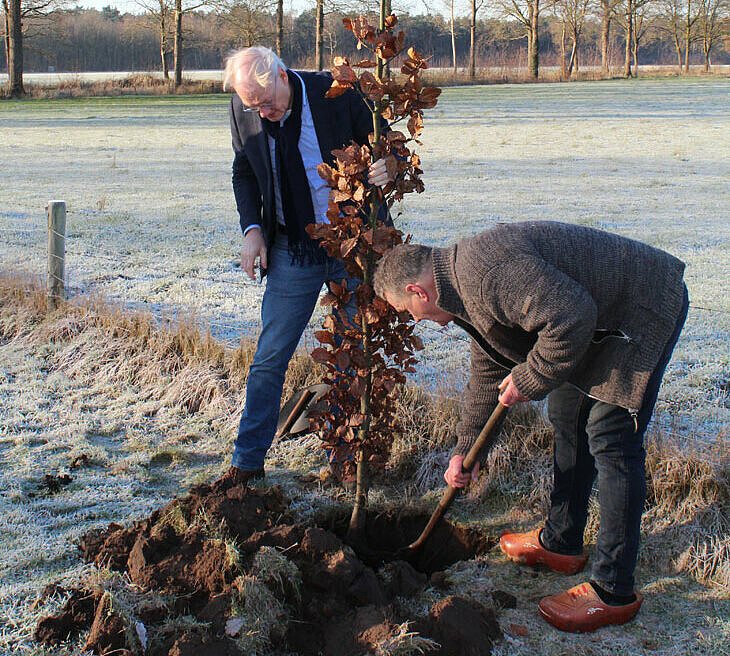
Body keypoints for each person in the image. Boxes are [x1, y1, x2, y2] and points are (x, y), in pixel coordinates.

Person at [373, 220, 688, 633]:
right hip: (595, 321)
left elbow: (572, 317)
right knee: (565, 415)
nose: (413, 319)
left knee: (610, 440)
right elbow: (488, 372)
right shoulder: (460, 290)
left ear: (418, 292)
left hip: (639, 310)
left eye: (406, 311)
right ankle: (562, 542)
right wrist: (466, 449)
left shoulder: (485, 274)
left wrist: (531, 377)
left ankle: (614, 591)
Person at [221, 47, 392, 487]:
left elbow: (385, 142)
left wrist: (388, 165)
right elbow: (244, 171)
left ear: (282, 73)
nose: (263, 111)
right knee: (269, 357)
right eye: (253, 105)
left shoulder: (333, 92)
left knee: (354, 355)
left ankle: (349, 464)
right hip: (292, 250)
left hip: (351, 246)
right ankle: (246, 465)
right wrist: (252, 229)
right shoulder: (245, 111)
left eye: (267, 100)